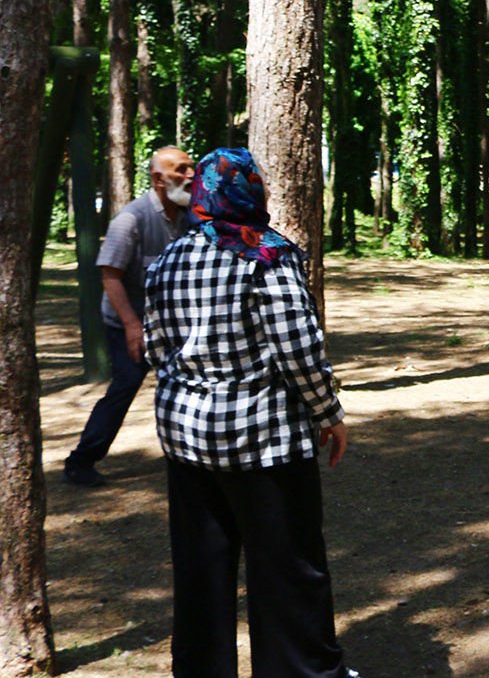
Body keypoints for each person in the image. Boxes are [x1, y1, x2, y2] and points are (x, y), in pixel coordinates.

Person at [144, 148, 355, 677]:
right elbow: (298, 346)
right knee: (287, 569)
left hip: (187, 440)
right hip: (265, 441)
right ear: (251, 191)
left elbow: (154, 347)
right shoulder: (265, 255)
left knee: (201, 573)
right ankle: (301, 671)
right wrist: (328, 412)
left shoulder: (170, 258)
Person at [62, 146, 195, 488]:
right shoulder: (131, 219)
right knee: (125, 387)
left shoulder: (186, 217)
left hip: (168, 325)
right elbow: (110, 276)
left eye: (191, 168)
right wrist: (133, 326)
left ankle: (189, 455)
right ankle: (80, 461)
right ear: (158, 179)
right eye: (181, 170)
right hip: (127, 324)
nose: (190, 176)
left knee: (184, 386)